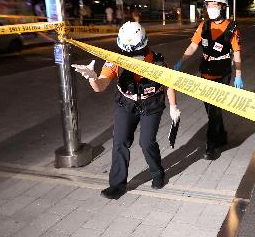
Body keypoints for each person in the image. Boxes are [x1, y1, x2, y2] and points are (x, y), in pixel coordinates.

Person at [72, 21, 181, 200]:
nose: (131, 56)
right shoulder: (115, 60)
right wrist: (92, 78)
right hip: (126, 103)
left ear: (144, 45)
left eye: (136, 52)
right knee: (120, 141)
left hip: (151, 104)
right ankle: (117, 185)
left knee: (146, 143)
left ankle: (157, 173)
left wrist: (173, 107)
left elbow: (169, 84)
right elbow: (101, 86)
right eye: (128, 51)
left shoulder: (157, 60)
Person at [172, 0, 243, 160]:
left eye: (214, 4)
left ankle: (211, 147)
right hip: (205, 72)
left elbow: (237, 53)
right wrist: (181, 61)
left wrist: (239, 75)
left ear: (222, 6)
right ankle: (222, 135)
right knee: (211, 110)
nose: (211, 8)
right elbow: (192, 46)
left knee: (214, 112)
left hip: (223, 73)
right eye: (208, 5)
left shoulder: (232, 28)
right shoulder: (203, 26)